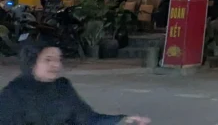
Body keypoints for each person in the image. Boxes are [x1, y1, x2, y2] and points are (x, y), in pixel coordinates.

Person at [0, 41, 150, 124]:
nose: (56, 65)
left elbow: (87, 119)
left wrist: (121, 120)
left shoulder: (62, 87)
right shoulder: (13, 94)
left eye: (58, 59)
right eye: (48, 60)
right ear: (31, 62)